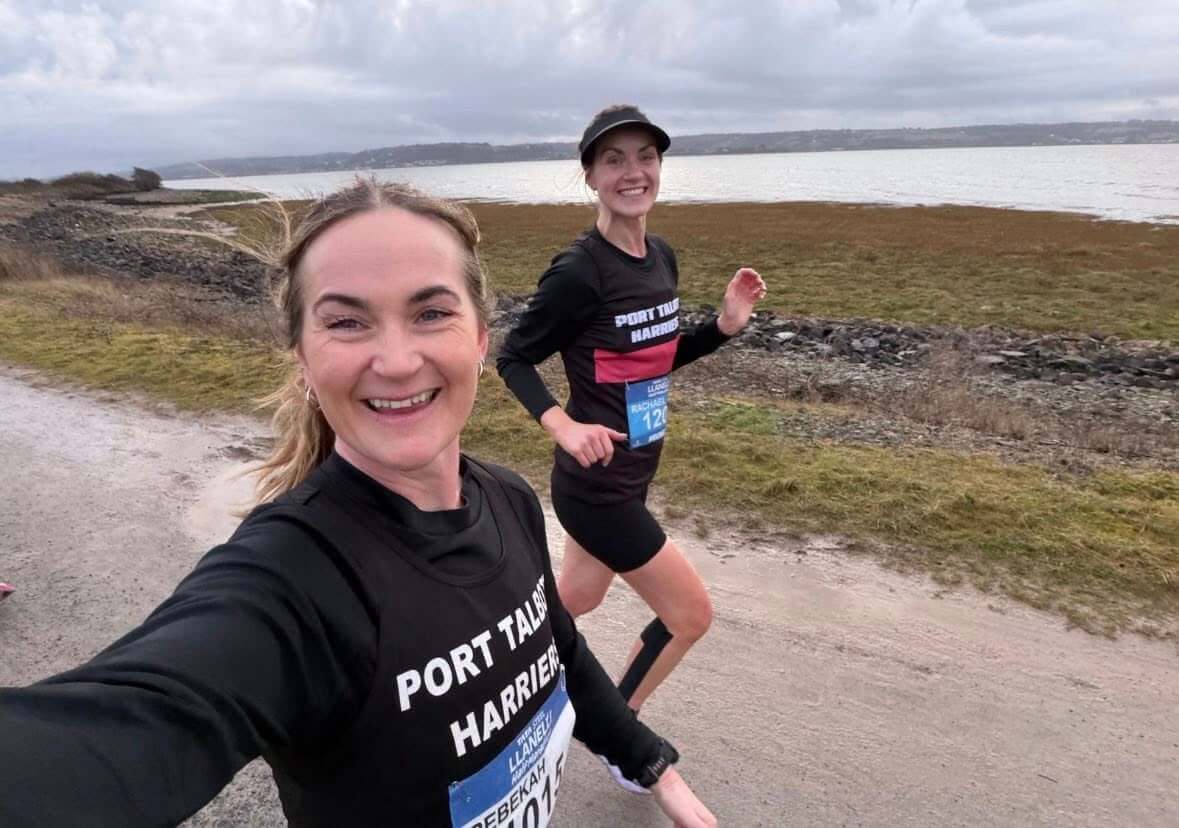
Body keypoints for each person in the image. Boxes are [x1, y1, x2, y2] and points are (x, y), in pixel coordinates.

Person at [0, 180, 716, 827]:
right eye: (346, 322)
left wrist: (650, 761)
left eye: (430, 312)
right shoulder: (292, 579)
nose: (397, 361)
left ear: (478, 338)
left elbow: (554, 643)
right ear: (303, 359)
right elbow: (111, 737)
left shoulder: (509, 498)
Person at [497, 105, 766, 718]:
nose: (633, 172)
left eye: (646, 157)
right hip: (597, 488)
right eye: (614, 159)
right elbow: (513, 356)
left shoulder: (660, 256)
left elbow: (652, 360)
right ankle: (622, 730)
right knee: (689, 615)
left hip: (633, 471)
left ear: (659, 168)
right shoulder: (579, 271)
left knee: (576, 599)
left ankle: (490, 676)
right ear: (591, 176)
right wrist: (563, 425)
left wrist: (723, 328)